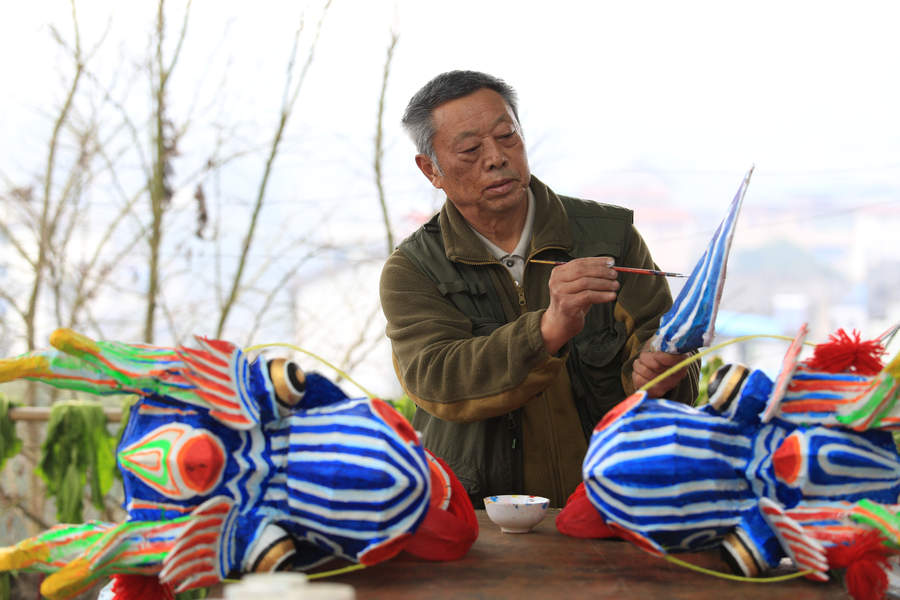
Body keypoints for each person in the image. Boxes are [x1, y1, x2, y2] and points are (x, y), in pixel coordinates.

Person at [379, 70, 699, 508]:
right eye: (471, 150)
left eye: (507, 136)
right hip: (482, 517)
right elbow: (437, 381)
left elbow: (662, 342)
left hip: (612, 501)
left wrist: (660, 373)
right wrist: (547, 330)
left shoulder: (608, 236)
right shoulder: (413, 269)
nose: (496, 158)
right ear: (430, 169)